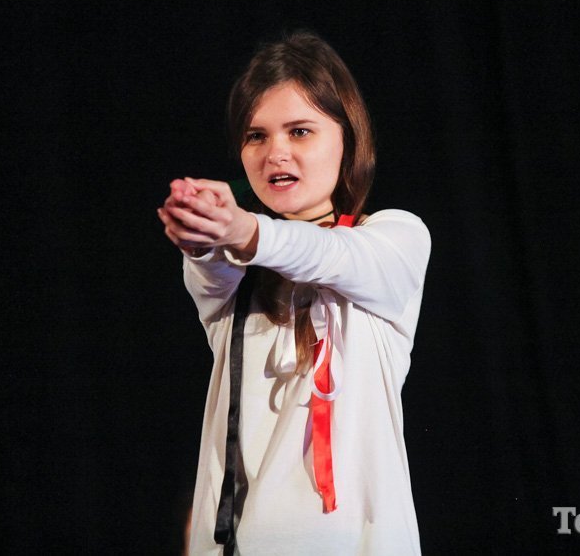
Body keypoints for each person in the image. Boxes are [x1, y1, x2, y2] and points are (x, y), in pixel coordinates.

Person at [157, 32, 430, 555]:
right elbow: (211, 268)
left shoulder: (395, 238)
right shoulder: (235, 269)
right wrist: (202, 231)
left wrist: (242, 229)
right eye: (256, 136)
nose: (275, 152)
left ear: (348, 138)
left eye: (300, 131)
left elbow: (331, 255)